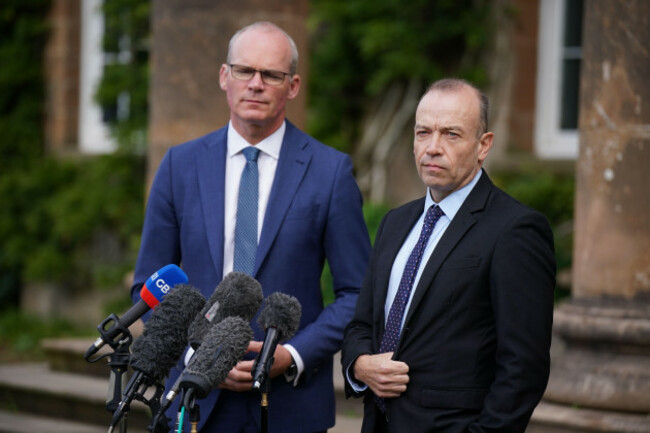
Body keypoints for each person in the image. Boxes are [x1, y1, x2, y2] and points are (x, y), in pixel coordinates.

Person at [131, 21, 370, 432]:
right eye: (244, 71)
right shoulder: (180, 166)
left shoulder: (330, 173)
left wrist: (292, 354)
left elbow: (358, 294)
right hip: (195, 402)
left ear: (292, 86)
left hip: (289, 408)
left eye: (271, 75)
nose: (255, 84)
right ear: (225, 76)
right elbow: (151, 289)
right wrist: (197, 358)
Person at [341, 78, 556, 433]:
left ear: (483, 145)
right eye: (423, 132)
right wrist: (360, 365)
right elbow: (362, 323)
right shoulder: (396, 223)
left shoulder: (516, 230)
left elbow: (523, 369)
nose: (433, 147)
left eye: (451, 134)